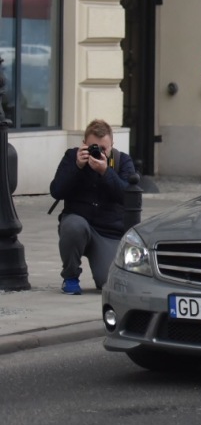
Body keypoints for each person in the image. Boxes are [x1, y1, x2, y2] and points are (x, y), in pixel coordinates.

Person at [49, 119, 136, 295]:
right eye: (93, 148)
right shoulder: (72, 157)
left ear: (112, 145)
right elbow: (56, 191)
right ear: (84, 144)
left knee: (106, 283)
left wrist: (106, 172)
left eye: (104, 149)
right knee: (73, 226)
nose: (98, 153)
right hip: (78, 222)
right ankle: (71, 276)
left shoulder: (122, 161)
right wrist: (77, 167)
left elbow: (128, 198)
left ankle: (100, 265)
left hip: (108, 231)